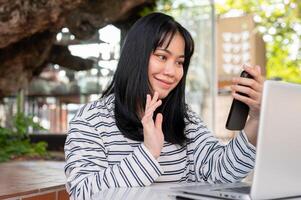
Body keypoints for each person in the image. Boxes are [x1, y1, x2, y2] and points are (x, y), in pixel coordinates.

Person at [64, 12, 264, 200]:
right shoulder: (90, 120)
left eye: (179, 62)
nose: (172, 71)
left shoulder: (184, 118)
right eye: (162, 56)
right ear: (137, 56)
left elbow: (221, 172)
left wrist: (255, 118)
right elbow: (83, 193)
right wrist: (149, 152)